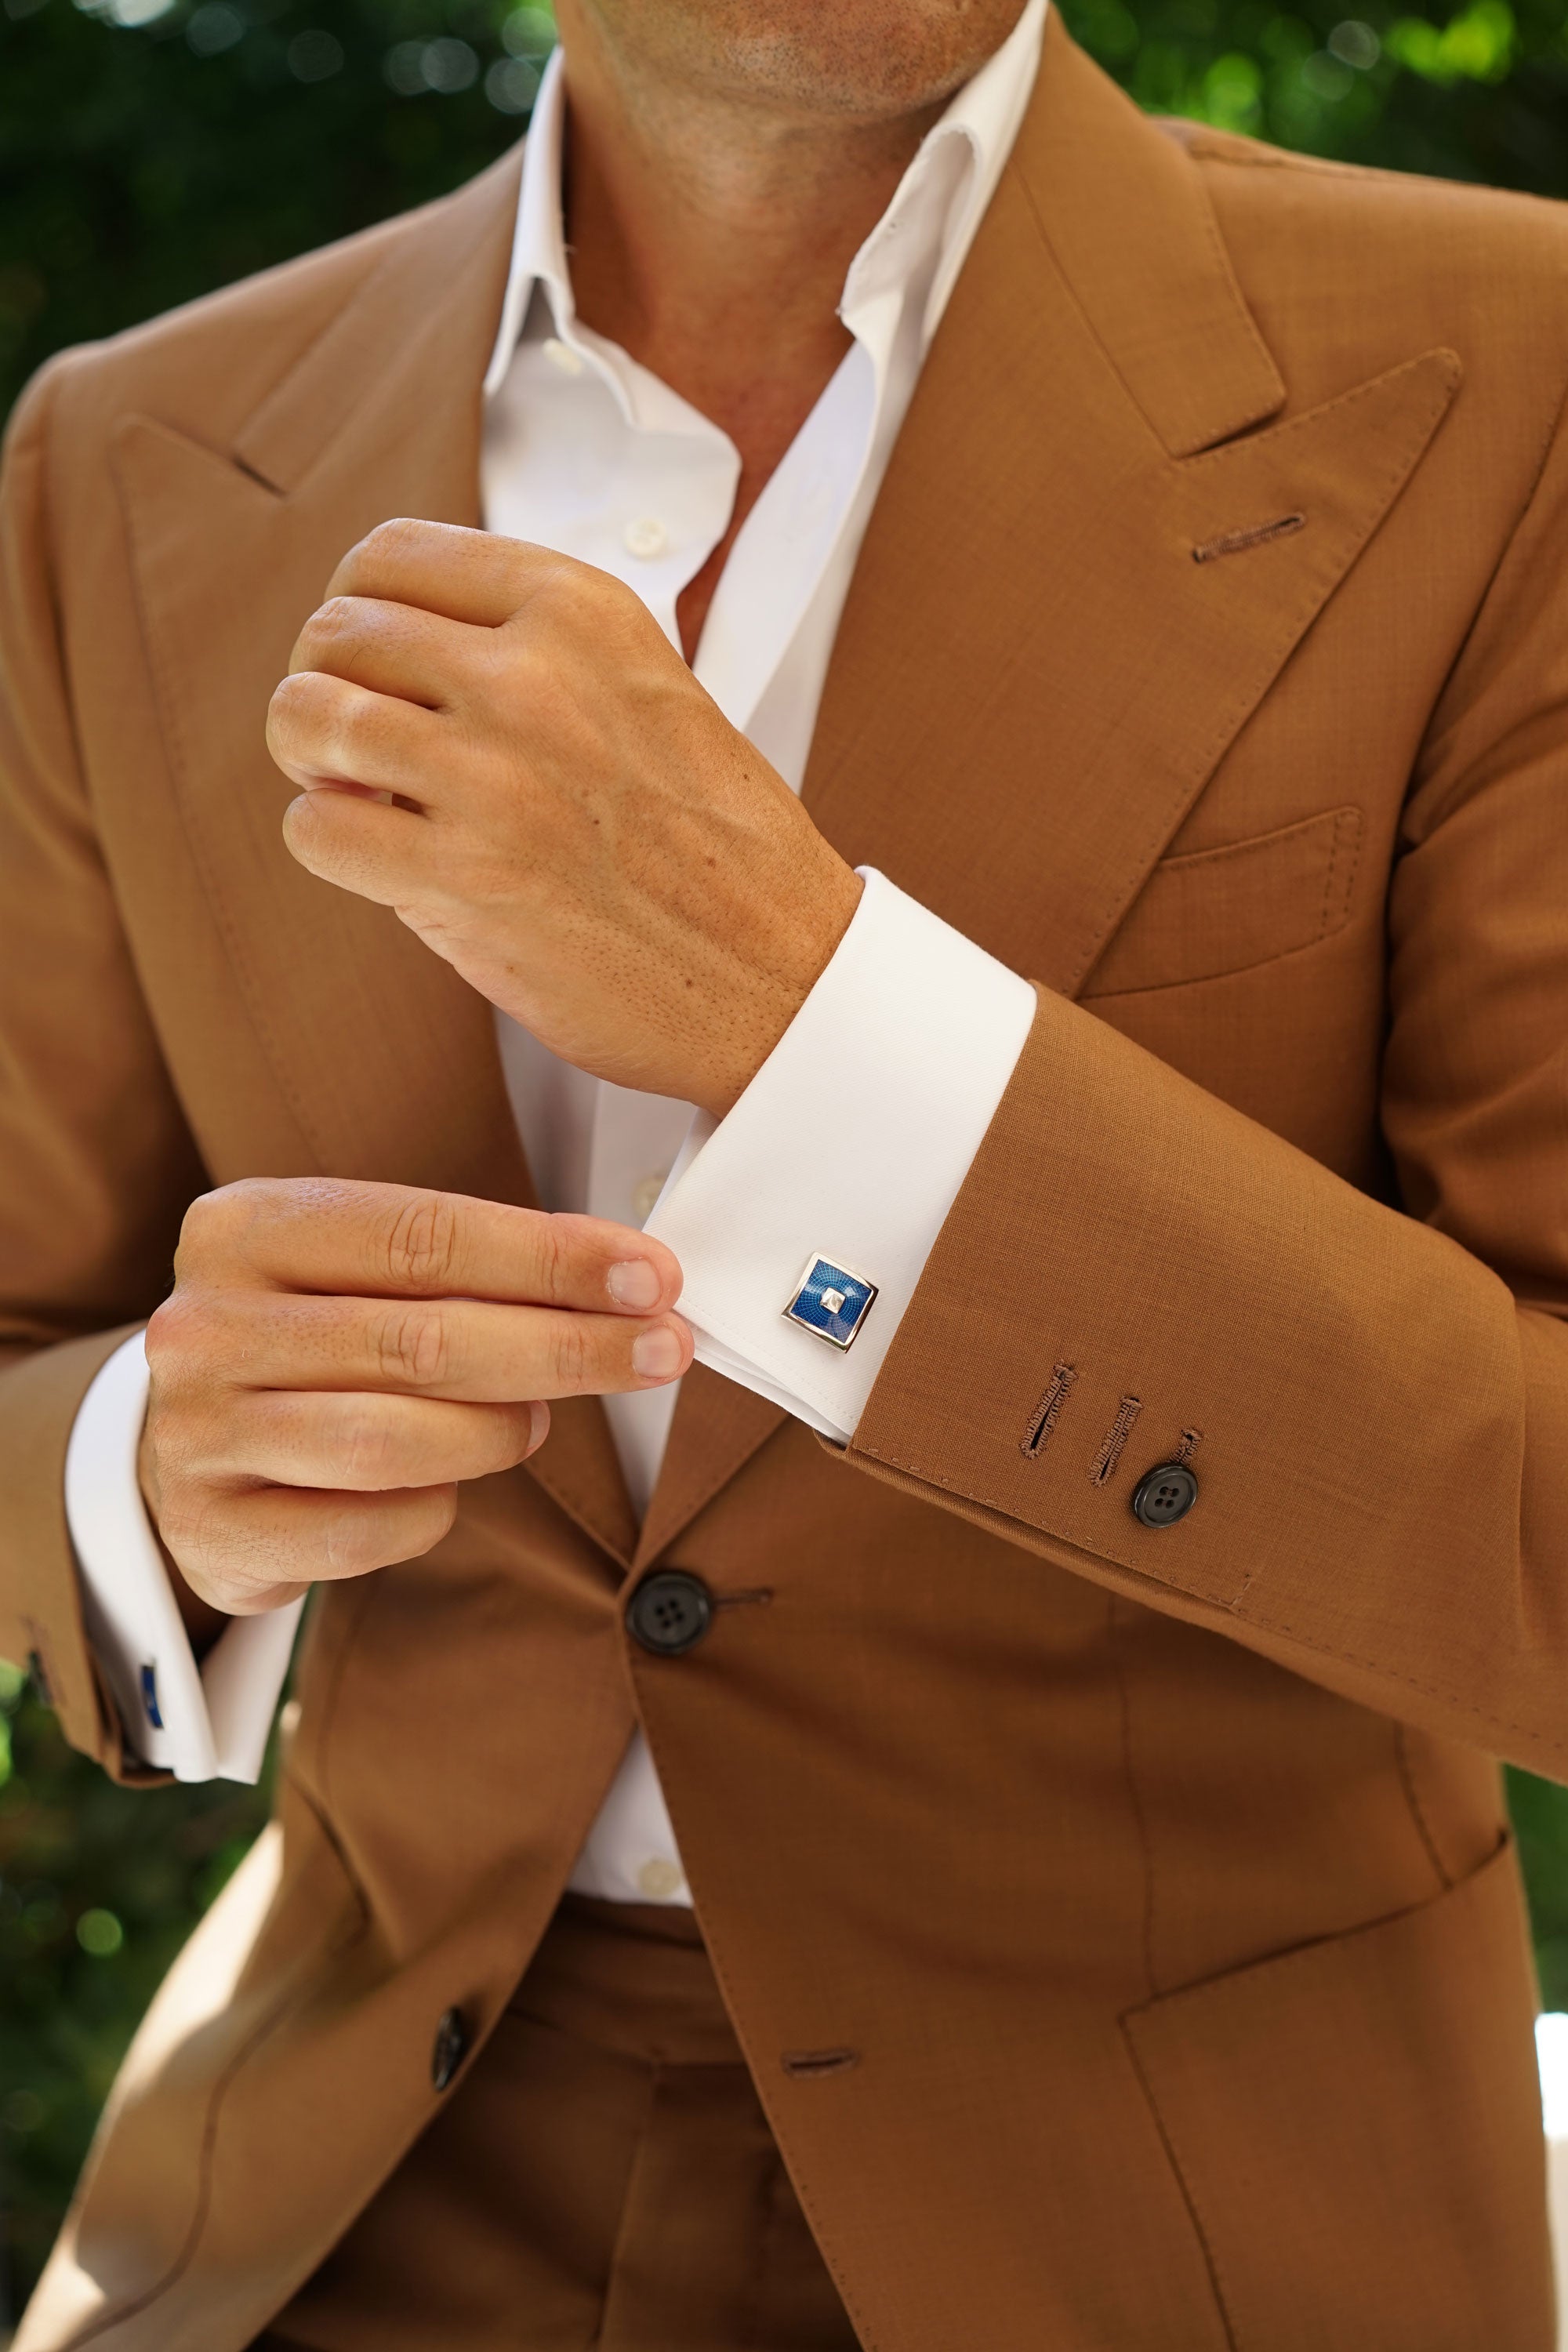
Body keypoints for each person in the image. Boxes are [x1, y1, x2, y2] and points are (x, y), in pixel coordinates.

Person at [4, 0, 1568, 2339]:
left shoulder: (1514, 368)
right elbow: (32, 1356)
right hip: (332, 2205)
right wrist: (149, 1467)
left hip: (1193, 2237)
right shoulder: (116, 458)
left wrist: (821, 1019)